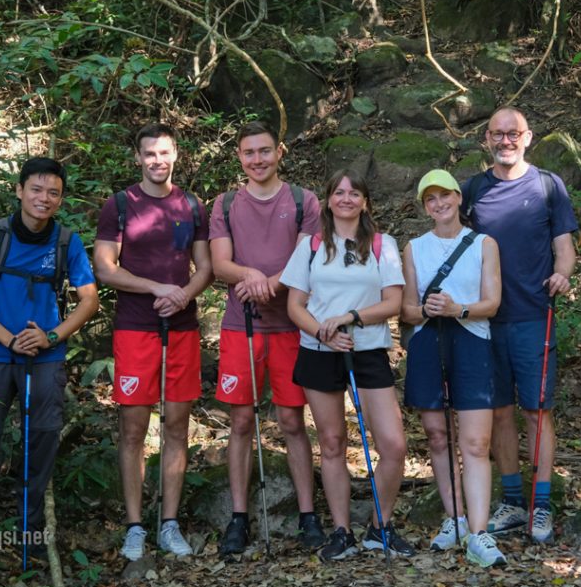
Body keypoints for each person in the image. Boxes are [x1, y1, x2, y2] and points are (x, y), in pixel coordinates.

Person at [0, 157, 99, 548]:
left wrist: (51, 335)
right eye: (36, 189)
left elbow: (88, 300)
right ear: (19, 190)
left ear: (61, 199)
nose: (43, 199)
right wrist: (8, 339)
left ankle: (28, 536)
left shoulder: (67, 241)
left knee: (40, 444)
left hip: (45, 359)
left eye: (53, 193)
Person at [280, 168, 415, 561]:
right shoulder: (310, 246)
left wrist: (351, 318)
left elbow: (392, 302)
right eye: (338, 192)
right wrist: (324, 332)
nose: (346, 198)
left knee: (393, 444)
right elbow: (294, 306)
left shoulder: (382, 244)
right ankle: (342, 531)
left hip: (369, 349)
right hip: (319, 352)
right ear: (327, 200)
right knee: (333, 443)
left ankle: (380, 526)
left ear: (365, 202)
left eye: (354, 193)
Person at [94, 123, 213, 560]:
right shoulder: (121, 204)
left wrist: (183, 292)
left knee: (177, 427)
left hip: (182, 328)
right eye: (149, 154)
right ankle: (134, 526)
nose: (157, 161)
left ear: (176, 154)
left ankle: (169, 523)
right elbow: (105, 268)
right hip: (135, 328)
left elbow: (204, 266)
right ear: (138, 157)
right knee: (133, 430)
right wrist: (156, 288)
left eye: (164, 153)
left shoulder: (192, 205)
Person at [461, 106, 578, 543]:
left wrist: (563, 273)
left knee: (537, 410)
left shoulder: (548, 186)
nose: (505, 141)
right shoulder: (472, 190)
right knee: (499, 412)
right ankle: (512, 500)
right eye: (497, 134)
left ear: (528, 138)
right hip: (484, 318)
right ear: (486, 140)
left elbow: (563, 246)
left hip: (533, 314)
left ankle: (541, 506)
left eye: (514, 134)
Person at [209, 121, 325, 553]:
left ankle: (308, 516)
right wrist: (251, 275)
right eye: (248, 153)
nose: (257, 160)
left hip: (292, 327)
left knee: (293, 421)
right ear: (239, 157)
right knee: (240, 421)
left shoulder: (303, 201)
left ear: (279, 152)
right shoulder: (224, 204)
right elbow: (221, 264)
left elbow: (306, 257)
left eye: (264, 151)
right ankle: (238, 518)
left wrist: (270, 282)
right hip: (242, 326)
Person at [401, 169, 504, 566]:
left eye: (445, 196)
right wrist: (426, 309)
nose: (439, 204)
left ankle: (479, 533)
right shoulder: (413, 248)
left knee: (476, 442)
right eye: (431, 199)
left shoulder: (483, 243)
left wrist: (458, 308)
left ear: (459, 199)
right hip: (429, 341)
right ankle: (454, 518)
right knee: (437, 435)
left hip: (472, 340)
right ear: (424, 206)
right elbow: (407, 308)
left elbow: (491, 301)